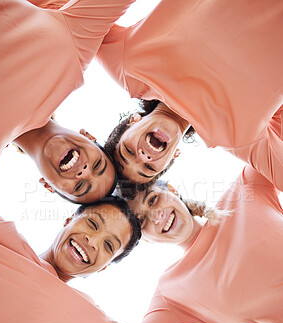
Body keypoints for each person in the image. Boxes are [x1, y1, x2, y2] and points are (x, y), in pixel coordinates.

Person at [66, 164, 283, 323]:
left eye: (153, 200)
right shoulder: (172, 293)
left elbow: (268, 135)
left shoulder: (244, 192)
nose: (157, 216)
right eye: (143, 222)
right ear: (145, 240)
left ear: (172, 189)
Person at [0, 194, 222, 323]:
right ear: (68, 220)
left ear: (104, 266)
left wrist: (224, 298)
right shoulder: (2, 237)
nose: (92, 241)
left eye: (109, 245)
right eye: (92, 224)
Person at [95, 0, 283, 190]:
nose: (144, 156)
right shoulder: (236, 138)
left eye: (128, 151)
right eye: (149, 168)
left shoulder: (128, 67)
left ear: (132, 121)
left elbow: (69, 17)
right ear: (173, 157)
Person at [0, 0, 137, 203]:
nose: (84, 172)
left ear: (47, 186)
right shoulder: (74, 55)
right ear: (88, 136)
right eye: (97, 165)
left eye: (79, 186)